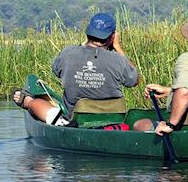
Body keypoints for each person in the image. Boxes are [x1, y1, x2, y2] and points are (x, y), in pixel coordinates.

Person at [12, 12, 140, 126]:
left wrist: (85, 45)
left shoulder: (68, 53)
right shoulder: (118, 59)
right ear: (112, 37)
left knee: (36, 102)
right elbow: (134, 80)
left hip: (73, 121)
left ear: (88, 33)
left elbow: (56, 70)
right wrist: (118, 47)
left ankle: (27, 101)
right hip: (113, 120)